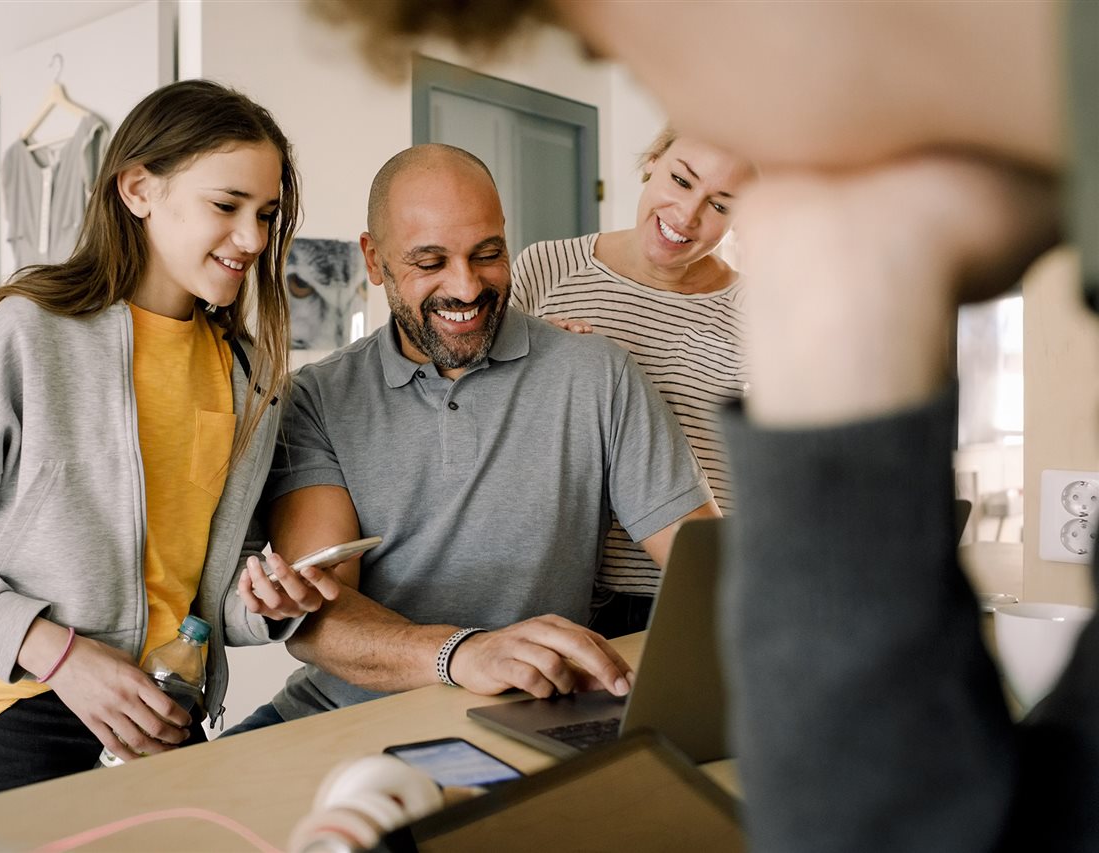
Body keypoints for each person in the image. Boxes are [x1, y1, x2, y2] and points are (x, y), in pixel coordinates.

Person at [312, 1, 1097, 851]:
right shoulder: (541, 282)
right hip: (611, 603)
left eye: (729, 195)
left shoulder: (746, 306)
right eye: (685, 174)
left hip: (698, 570)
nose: (692, 212)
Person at [0, 79, 340, 803]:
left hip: (166, 719)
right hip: (23, 714)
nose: (255, 239)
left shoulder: (249, 375)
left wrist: (268, 598)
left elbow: (206, 574)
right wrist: (63, 656)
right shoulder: (29, 333)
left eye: (267, 214)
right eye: (227, 205)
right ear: (140, 189)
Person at [226, 143, 719, 732]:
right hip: (338, 714)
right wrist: (463, 653)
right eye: (429, 263)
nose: (465, 288)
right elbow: (320, 620)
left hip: (521, 717)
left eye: (487, 254)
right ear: (375, 259)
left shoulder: (596, 374)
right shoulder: (316, 398)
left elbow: (708, 565)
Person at [511, 130, 756, 637]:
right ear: (652, 161)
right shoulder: (546, 269)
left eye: (720, 204)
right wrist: (524, 369)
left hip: (691, 594)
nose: (687, 215)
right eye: (680, 180)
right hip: (555, 596)